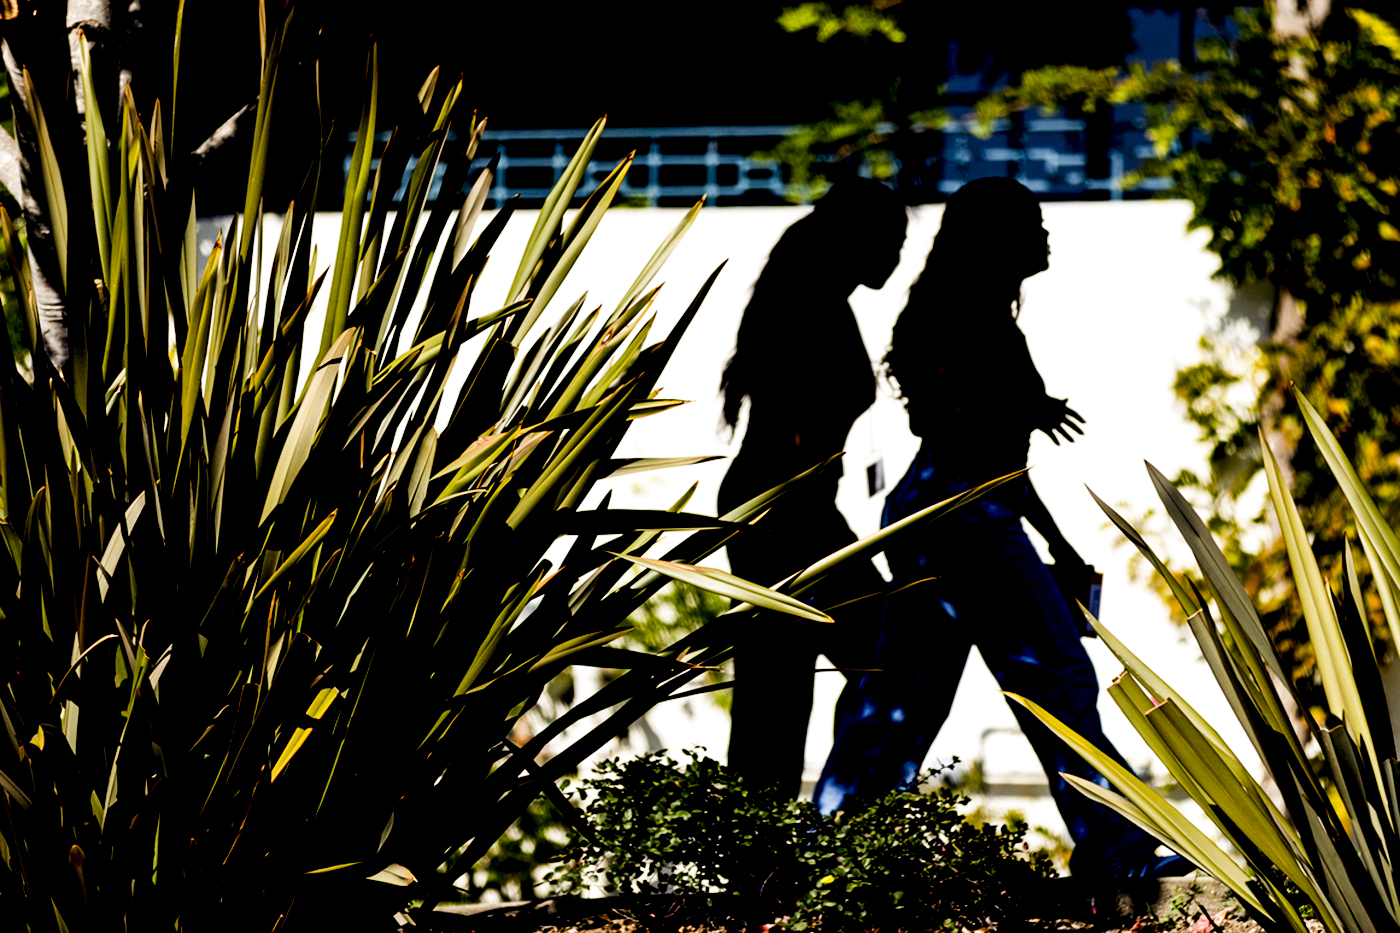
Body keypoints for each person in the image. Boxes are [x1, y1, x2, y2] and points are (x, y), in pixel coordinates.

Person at [813, 177, 1188, 876]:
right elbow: (978, 451)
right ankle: (1114, 849)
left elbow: (993, 460)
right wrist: (1022, 414)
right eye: (1034, 226)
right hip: (966, 516)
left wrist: (1055, 539)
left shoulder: (967, 317)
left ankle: (833, 846)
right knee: (1058, 677)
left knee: (903, 692)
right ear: (997, 239)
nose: (1046, 238)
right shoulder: (973, 323)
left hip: (938, 509)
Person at [719, 178, 908, 797]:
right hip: (780, 509)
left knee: (798, 676)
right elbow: (792, 426)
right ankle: (777, 843)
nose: (898, 255)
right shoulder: (807, 303)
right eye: (892, 241)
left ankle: (804, 826)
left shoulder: (822, 298)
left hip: (791, 505)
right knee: (792, 678)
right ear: (857, 238)